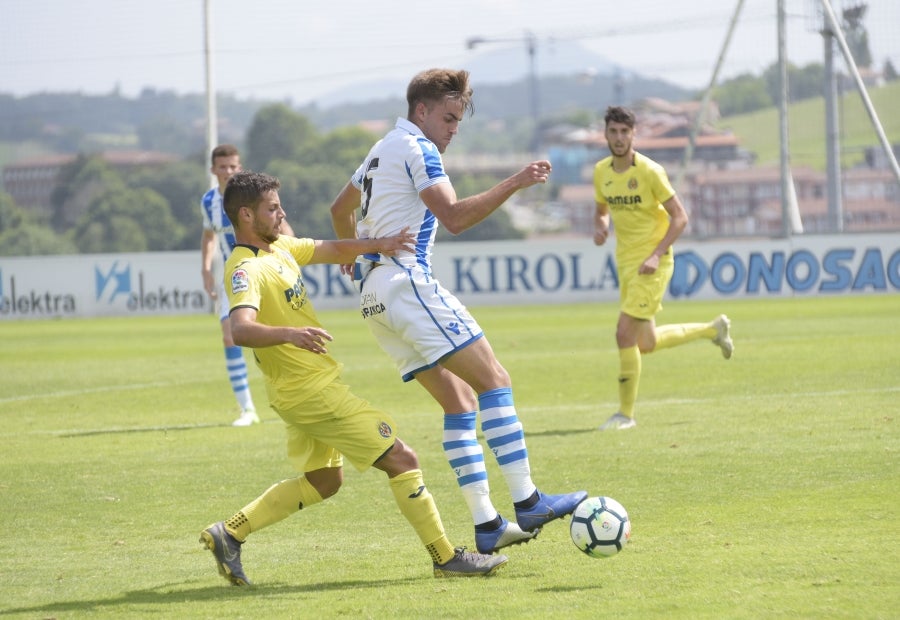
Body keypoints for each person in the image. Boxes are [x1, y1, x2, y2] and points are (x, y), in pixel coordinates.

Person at [199, 171, 506, 585]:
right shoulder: (244, 269)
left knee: (324, 481)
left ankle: (230, 532)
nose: (282, 213)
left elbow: (332, 248)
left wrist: (379, 244)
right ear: (246, 215)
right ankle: (446, 557)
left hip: (301, 390)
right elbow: (240, 329)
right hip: (311, 392)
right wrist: (291, 333)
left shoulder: (280, 248)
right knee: (403, 459)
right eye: (272, 208)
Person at [329, 68, 587, 556]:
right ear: (421, 111)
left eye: (458, 122)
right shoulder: (419, 149)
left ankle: (487, 524)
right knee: (495, 380)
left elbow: (339, 209)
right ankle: (529, 501)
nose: (452, 130)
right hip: (406, 284)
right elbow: (454, 217)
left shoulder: (381, 148)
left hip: (373, 298)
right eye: (448, 119)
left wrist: (352, 253)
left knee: (460, 402)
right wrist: (515, 182)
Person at [592, 105, 733, 431]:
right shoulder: (601, 172)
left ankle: (625, 415)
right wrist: (601, 227)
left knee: (623, 334)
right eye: (613, 131)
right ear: (606, 134)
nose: (619, 138)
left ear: (634, 134)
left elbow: (680, 218)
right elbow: (601, 210)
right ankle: (712, 330)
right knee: (646, 344)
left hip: (653, 264)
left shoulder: (650, 172)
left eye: (624, 132)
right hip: (626, 263)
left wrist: (655, 255)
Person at [200, 144, 294, 427]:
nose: (228, 171)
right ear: (213, 170)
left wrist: (291, 255)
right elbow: (209, 236)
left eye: (233, 166)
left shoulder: (255, 195)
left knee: (278, 336)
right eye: (223, 167)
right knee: (230, 336)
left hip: (266, 271)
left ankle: (293, 397)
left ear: (239, 168)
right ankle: (247, 409)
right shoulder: (208, 202)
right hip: (234, 276)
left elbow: (281, 226)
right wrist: (205, 268)